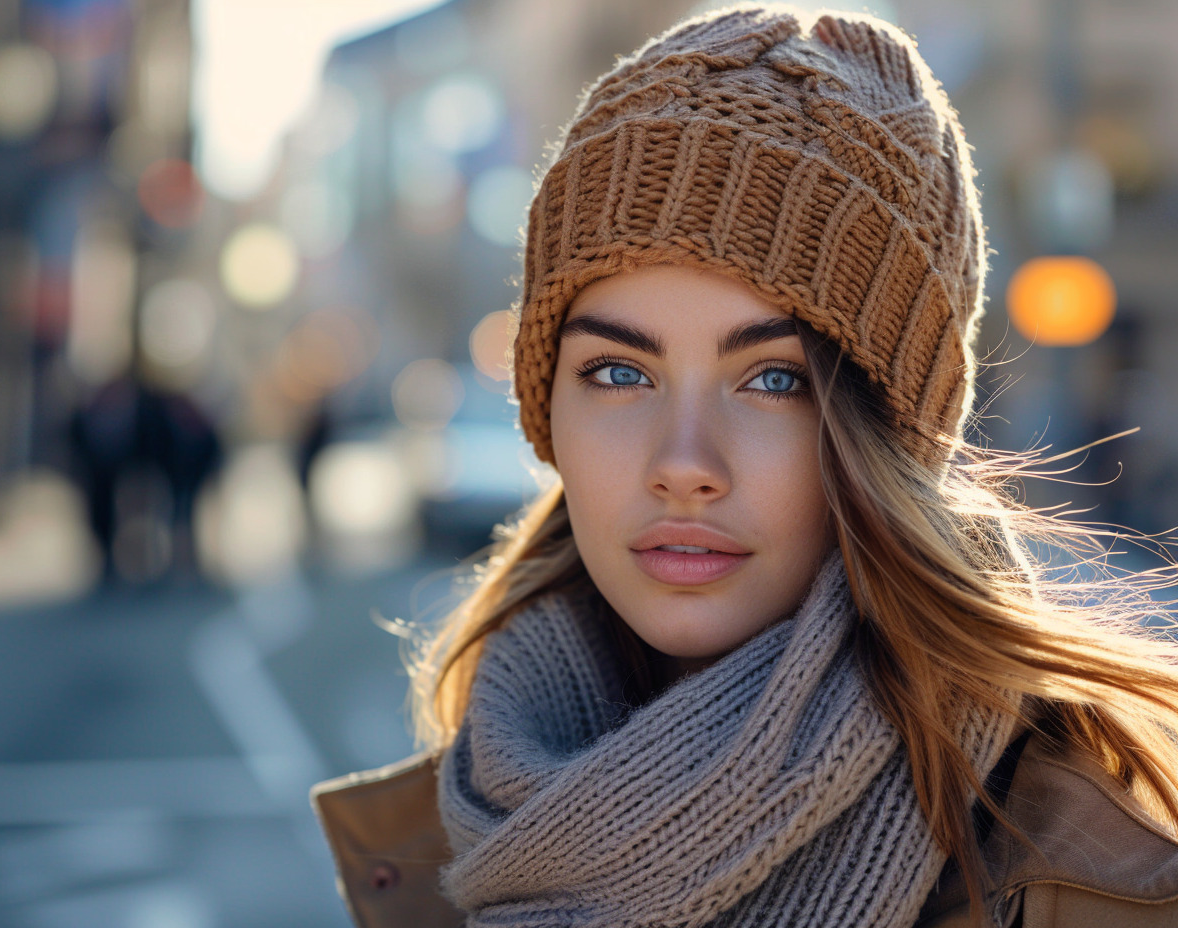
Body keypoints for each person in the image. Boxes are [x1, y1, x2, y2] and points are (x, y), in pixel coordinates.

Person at [311, 5, 1178, 927]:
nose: (684, 465)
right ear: (547, 407)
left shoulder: (1100, 886)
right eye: (617, 371)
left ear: (890, 430)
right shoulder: (452, 836)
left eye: (773, 379)